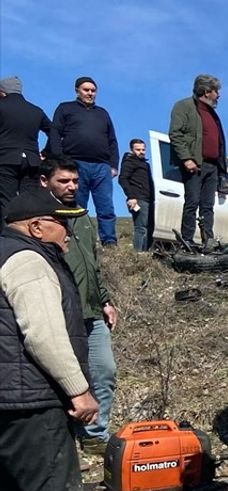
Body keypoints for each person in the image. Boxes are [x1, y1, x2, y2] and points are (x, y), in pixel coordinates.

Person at [0, 191, 108, 491]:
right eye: (62, 224)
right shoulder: (28, 261)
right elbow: (42, 333)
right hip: (32, 398)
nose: (69, 233)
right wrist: (78, 389)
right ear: (36, 226)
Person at [40, 157, 118, 457]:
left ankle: (95, 435)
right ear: (45, 182)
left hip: (91, 311)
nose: (72, 186)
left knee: (103, 370)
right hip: (58, 312)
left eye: (74, 181)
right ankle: (61, 438)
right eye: (64, 181)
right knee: (61, 375)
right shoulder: (38, 219)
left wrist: (106, 300)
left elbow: (93, 265)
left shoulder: (82, 216)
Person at [49, 77, 119, 246]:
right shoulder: (65, 108)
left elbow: (112, 140)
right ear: (77, 91)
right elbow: (55, 133)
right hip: (75, 163)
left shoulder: (103, 113)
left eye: (93, 90)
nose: (90, 93)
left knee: (106, 206)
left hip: (102, 166)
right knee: (75, 204)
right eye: (86, 90)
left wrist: (114, 165)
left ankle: (109, 241)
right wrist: (60, 159)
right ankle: (75, 240)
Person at [168, 75, 227, 253]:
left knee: (208, 206)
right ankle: (187, 240)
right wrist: (187, 158)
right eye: (217, 91)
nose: (219, 95)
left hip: (212, 166)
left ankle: (208, 241)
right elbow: (175, 134)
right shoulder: (184, 106)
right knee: (192, 203)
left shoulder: (212, 113)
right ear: (207, 92)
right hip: (195, 165)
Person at [0, 76, 51, 217]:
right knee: (29, 201)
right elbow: (53, 131)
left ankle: (7, 235)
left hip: (5, 159)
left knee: (6, 200)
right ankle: (28, 234)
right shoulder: (36, 111)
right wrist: (46, 152)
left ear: (2, 92)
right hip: (31, 161)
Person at [118, 139, 155, 252]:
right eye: (138, 149)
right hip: (138, 198)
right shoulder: (129, 162)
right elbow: (122, 179)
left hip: (149, 199)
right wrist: (131, 196)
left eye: (143, 149)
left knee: (150, 228)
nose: (141, 152)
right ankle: (138, 254)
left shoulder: (145, 164)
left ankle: (146, 252)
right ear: (132, 150)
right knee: (141, 227)